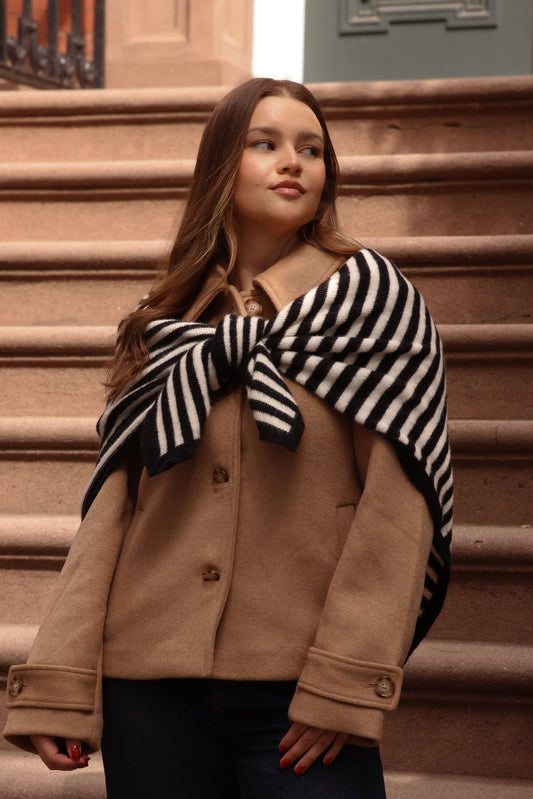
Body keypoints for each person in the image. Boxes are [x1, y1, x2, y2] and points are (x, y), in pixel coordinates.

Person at [3, 78, 452, 798]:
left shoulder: (374, 306)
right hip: (146, 688)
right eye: (265, 144)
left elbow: (399, 509)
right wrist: (61, 678)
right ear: (220, 166)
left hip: (298, 687)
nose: (293, 162)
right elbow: (113, 513)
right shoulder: (165, 321)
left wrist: (345, 681)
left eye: (311, 149)